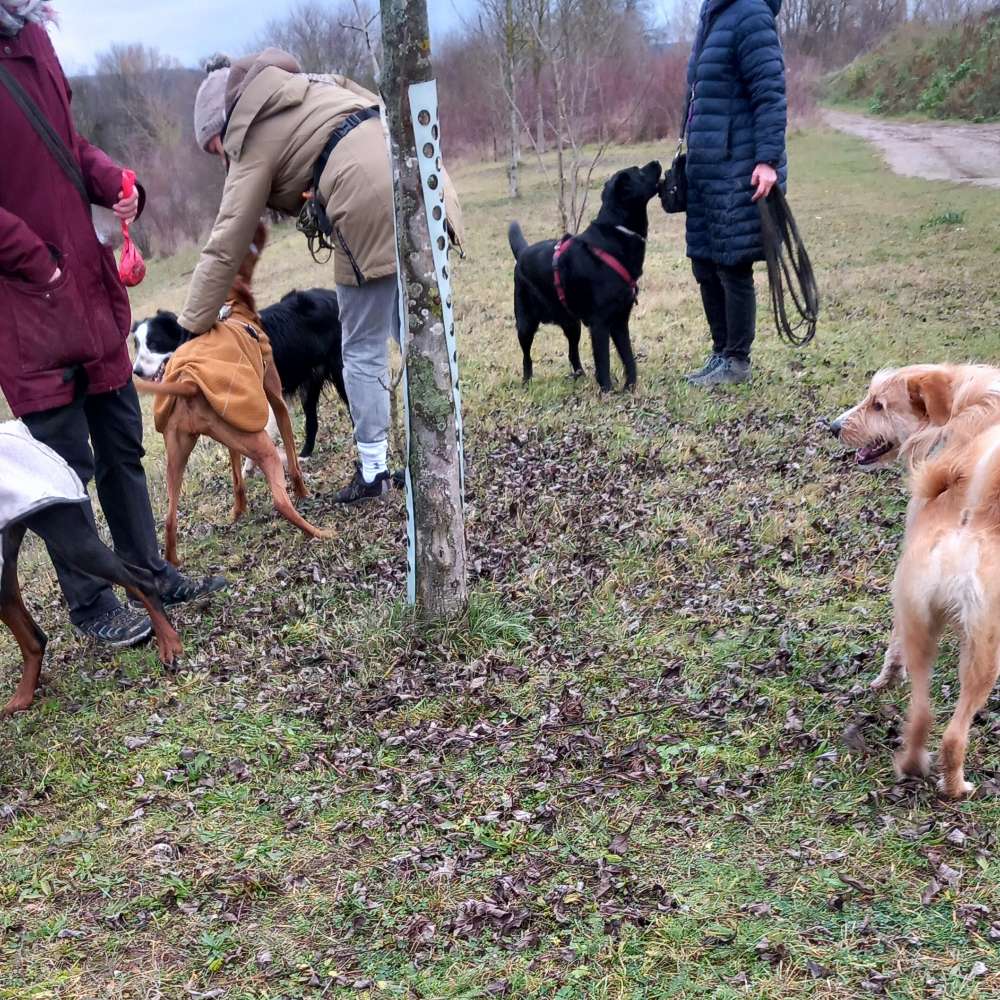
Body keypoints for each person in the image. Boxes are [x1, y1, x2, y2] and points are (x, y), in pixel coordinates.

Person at [0, 2, 225, 647]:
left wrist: (115, 184)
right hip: (28, 306)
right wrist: (36, 263)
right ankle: (92, 602)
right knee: (63, 470)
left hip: (88, 290)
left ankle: (148, 571)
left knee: (123, 441)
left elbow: (67, 144)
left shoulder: (35, 38)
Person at [182, 50, 463, 504]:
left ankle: (374, 472)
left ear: (224, 124)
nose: (219, 156)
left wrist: (189, 328)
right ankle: (449, 447)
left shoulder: (251, 135)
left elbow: (227, 240)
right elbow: (379, 109)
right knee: (418, 330)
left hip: (365, 198)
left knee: (361, 344)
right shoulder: (315, 84)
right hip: (423, 178)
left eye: (213, 146)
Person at [680, 0, 787, 387]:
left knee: (732, 263)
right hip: (706, 167)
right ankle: (720, 351)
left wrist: (768, 160)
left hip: (738, 165)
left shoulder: (751, 14)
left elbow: (770, 92)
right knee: (704, 262)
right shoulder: (713, 14)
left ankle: (737, 361)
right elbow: (699, 94)